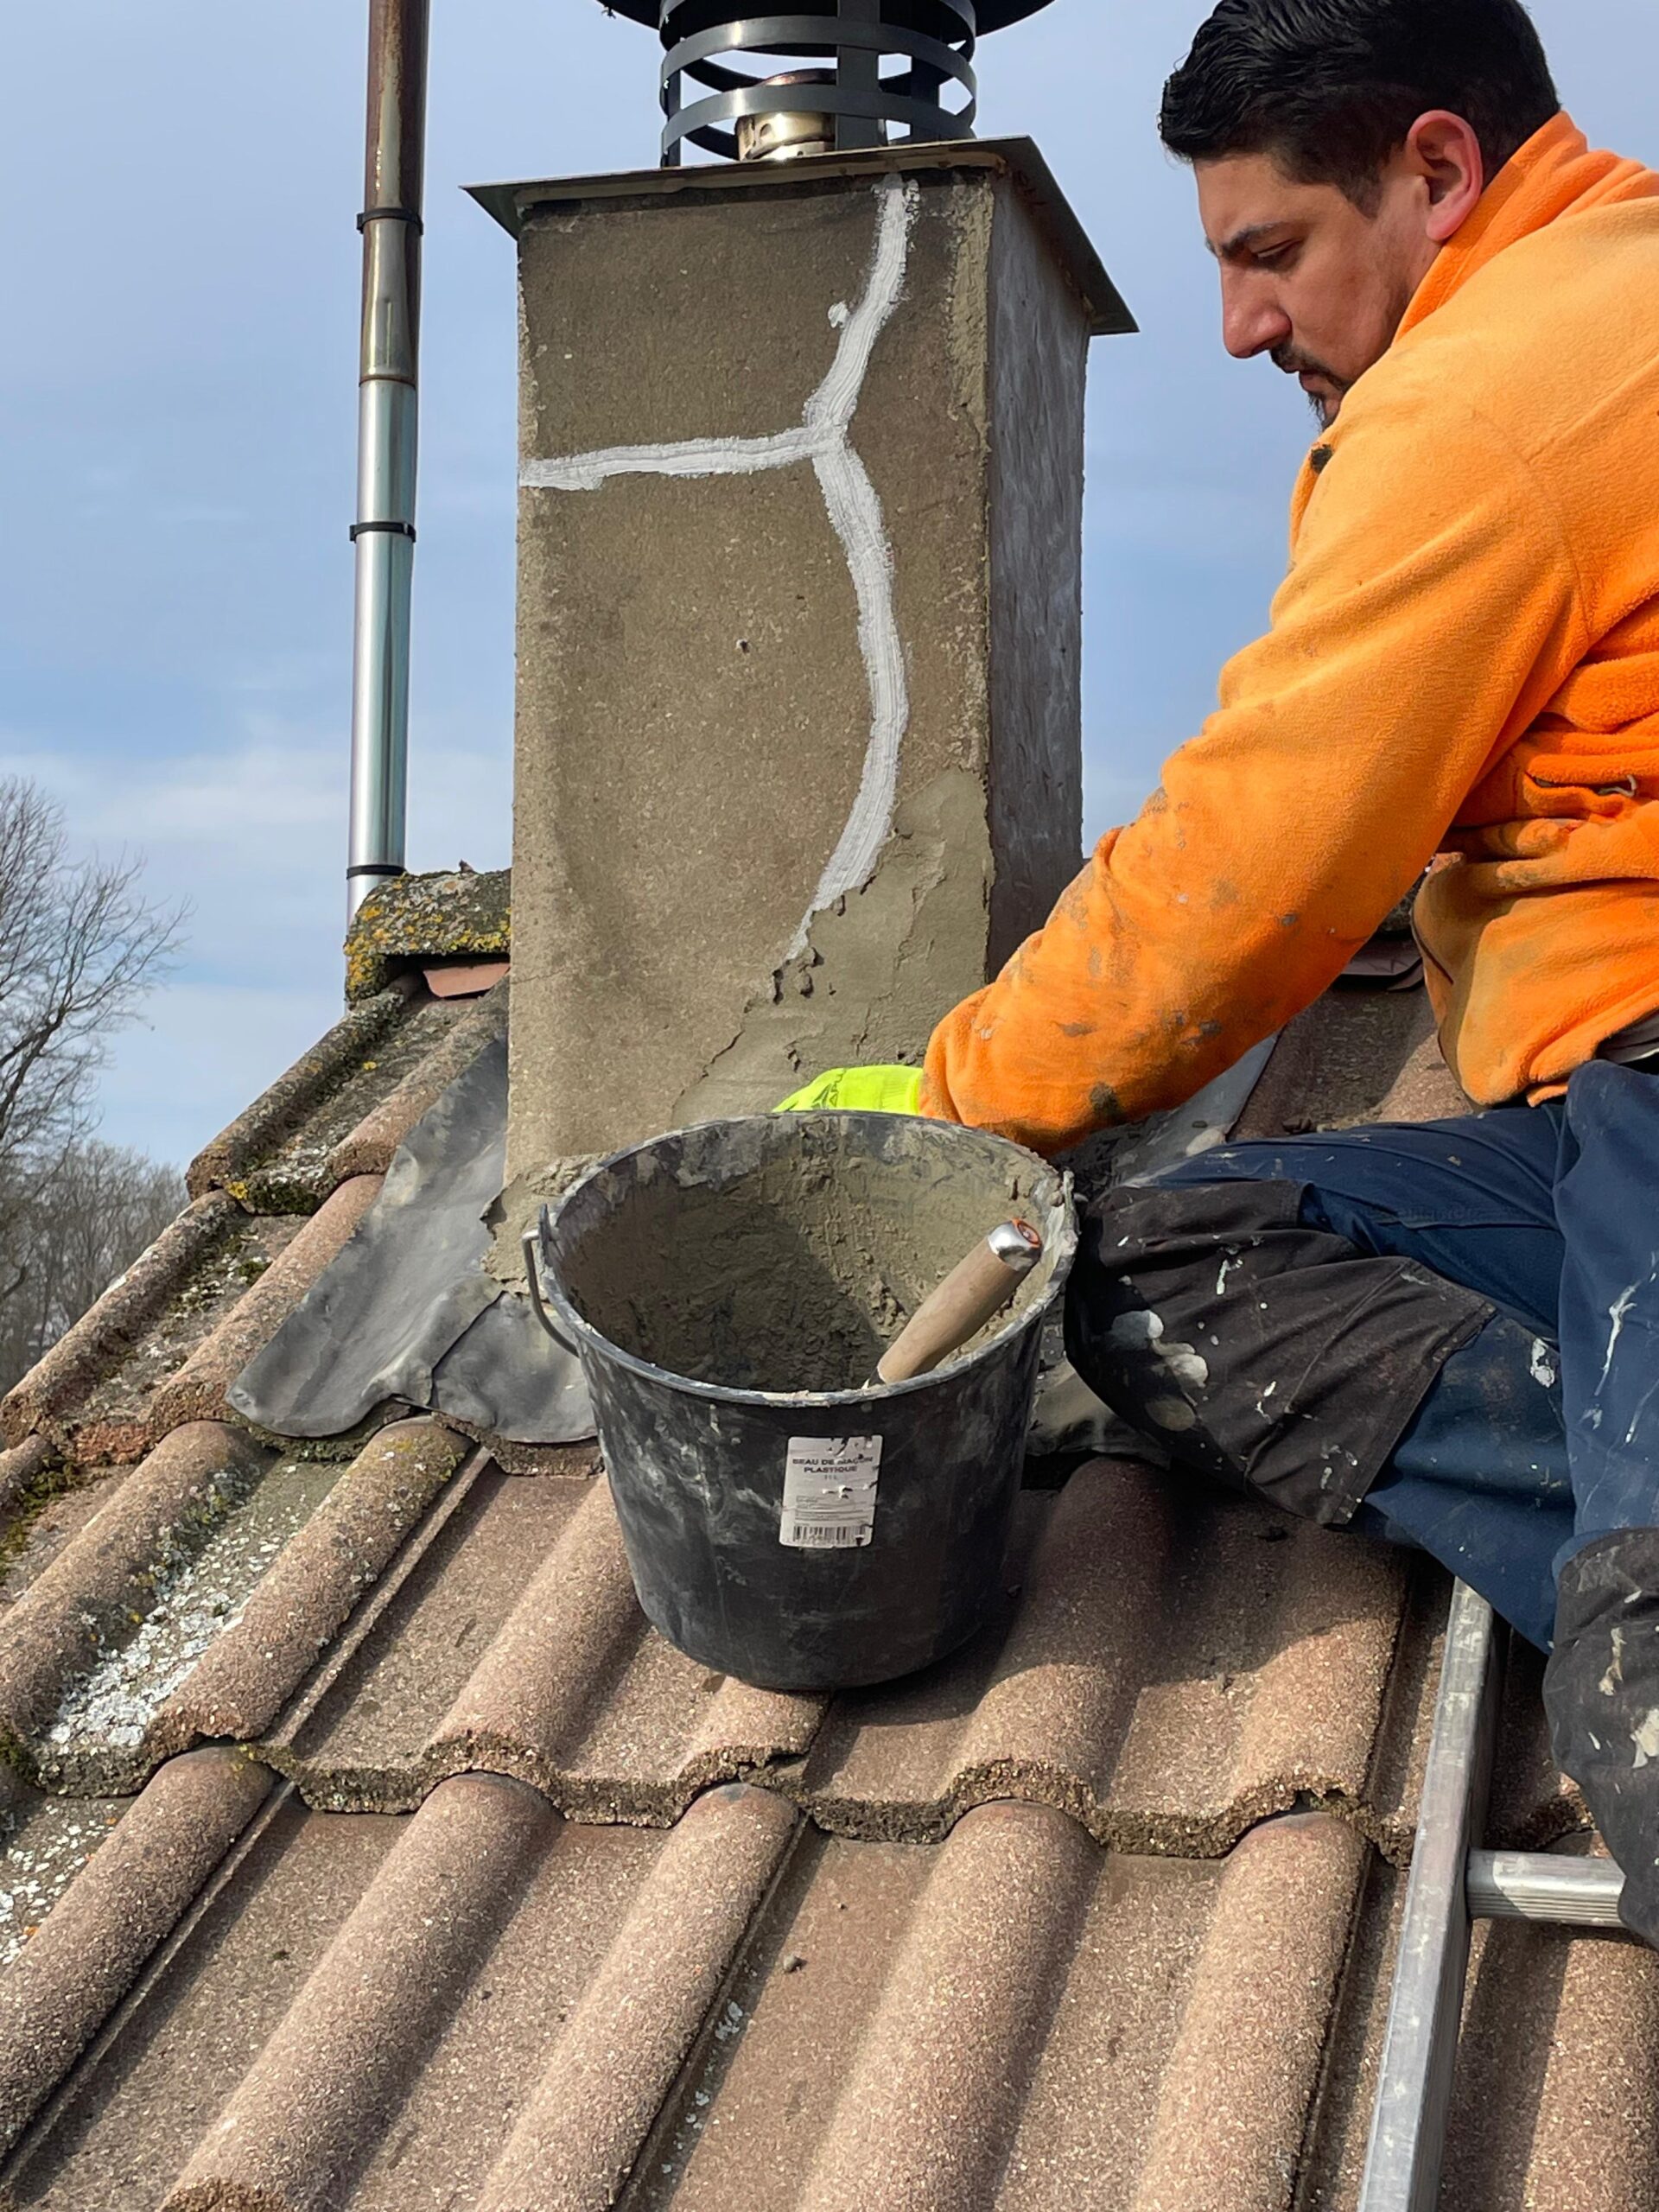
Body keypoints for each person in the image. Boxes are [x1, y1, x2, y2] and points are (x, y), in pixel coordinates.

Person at [784, 0, 1659, 1948]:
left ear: (1438, 170)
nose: (1245, 326)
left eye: (1272, 252)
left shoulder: (1496, 391)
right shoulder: (1602, 309)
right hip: (1595, 1120)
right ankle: (1624, 1468)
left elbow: (1248, 878)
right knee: (1167, 1262)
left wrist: (950, 1103)